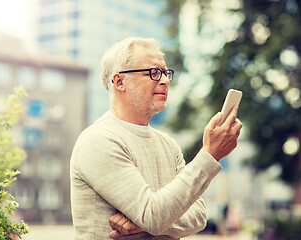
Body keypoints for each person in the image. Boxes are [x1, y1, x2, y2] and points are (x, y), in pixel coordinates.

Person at [70, 37, 242, 240]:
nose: (165, 80)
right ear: (119, 81)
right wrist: (210, 154)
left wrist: (147, 223)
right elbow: (153, 216)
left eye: (166, 73)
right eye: (154, 73)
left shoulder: (168, 144)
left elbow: (198, 216)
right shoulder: (99, 140)